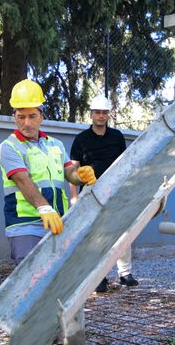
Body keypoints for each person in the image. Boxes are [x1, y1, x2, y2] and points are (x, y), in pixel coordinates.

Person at [0, 79, 97, 266]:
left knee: (57, 278)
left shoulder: (55, 145)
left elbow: (70, 174)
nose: (26, 123)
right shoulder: (8, 148)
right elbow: (22, 181)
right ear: (14, 116)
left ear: (41, 115)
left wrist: (81, 175)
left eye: (32, 116)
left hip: (57, 221)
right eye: (21, 116)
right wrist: (44, 207)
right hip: (25, 226)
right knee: (30, 279)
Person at [70, 95, 139, 292]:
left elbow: (125, 165)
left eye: (104, 112)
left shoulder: (116, 137)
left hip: (116, 190)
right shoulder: (81, 139)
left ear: (108, 115)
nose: (101, 116)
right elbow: (73, 171)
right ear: (91, 114)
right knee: (93, 236)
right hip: (90, 192)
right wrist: (74, 197)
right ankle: (98, 277)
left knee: (122, 231)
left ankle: (125, 273)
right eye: (97, 112)